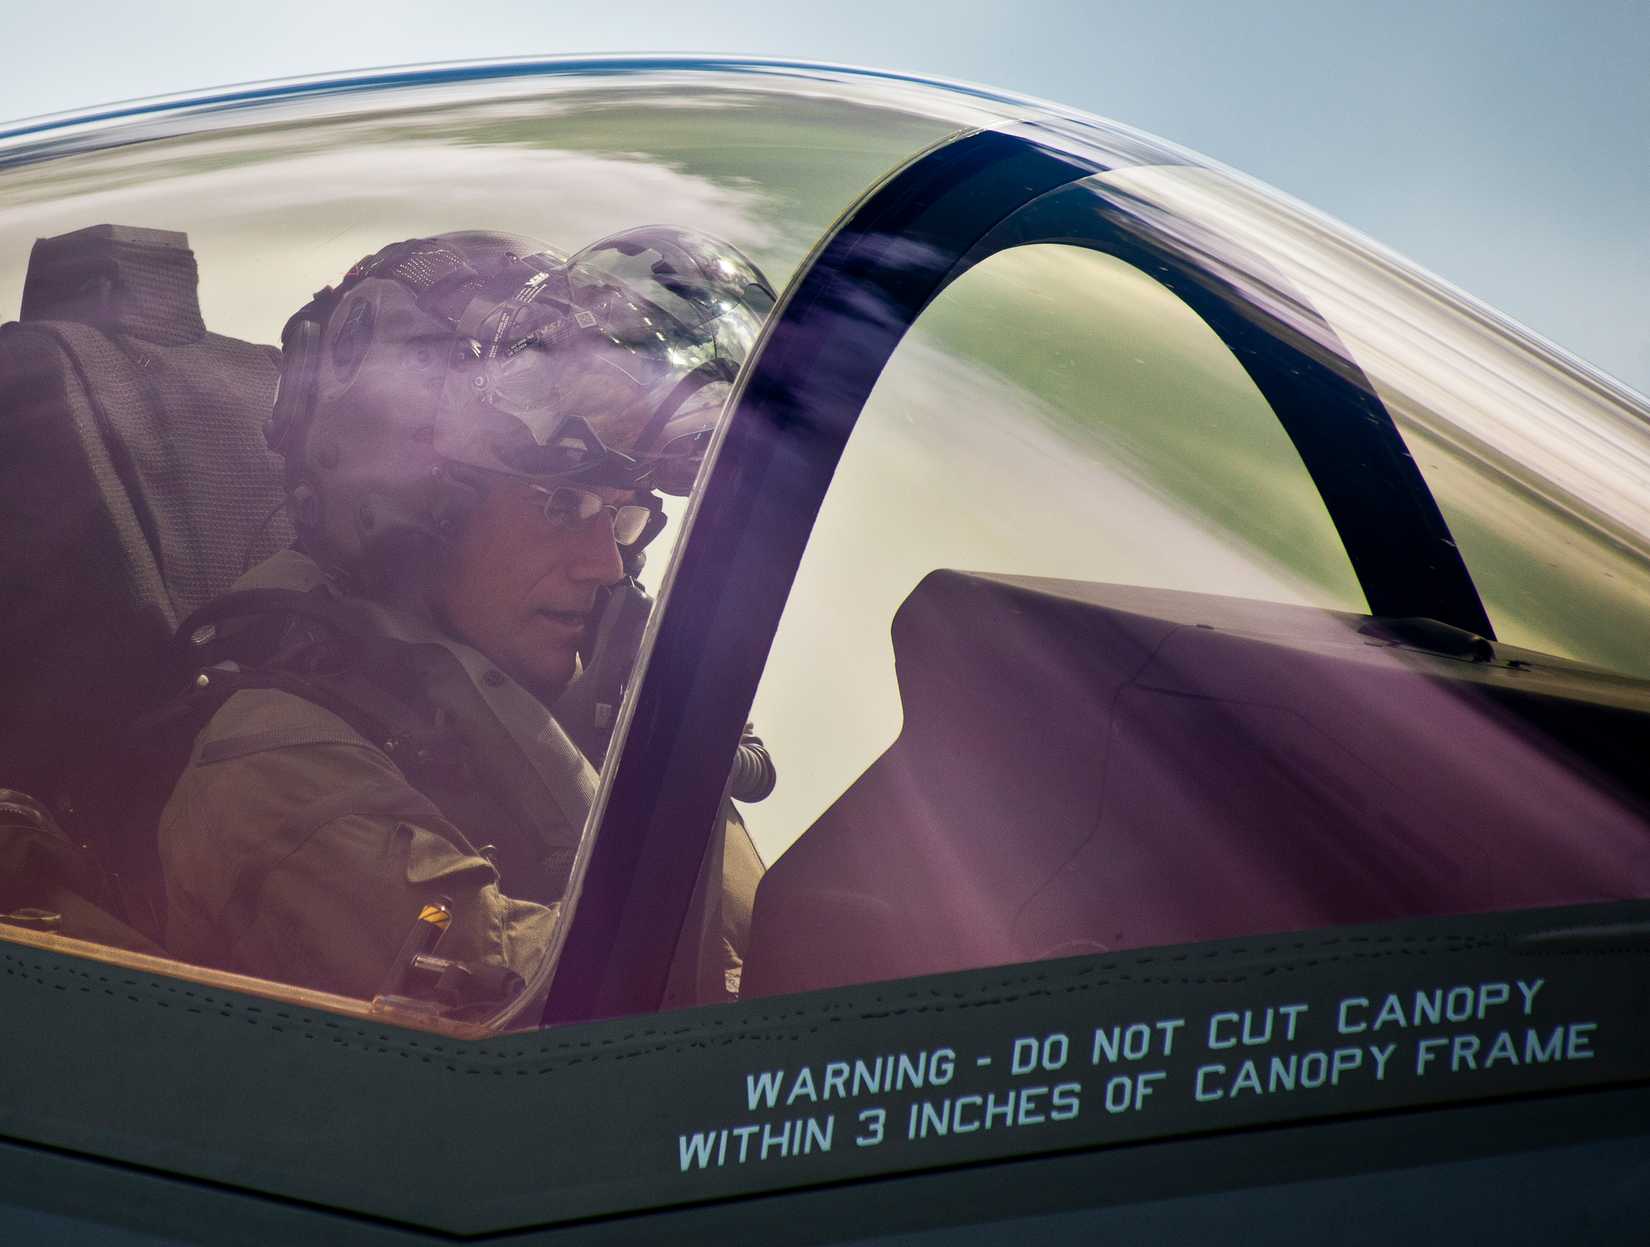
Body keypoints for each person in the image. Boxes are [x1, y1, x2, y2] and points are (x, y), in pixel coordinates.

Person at [157, 227, 774, 1020]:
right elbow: (611, 1024)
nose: (607, 565)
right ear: (423, 515)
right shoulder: (276, 771)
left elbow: (777, 948)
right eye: (563, 507)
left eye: (623, 518)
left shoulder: (586, 704)